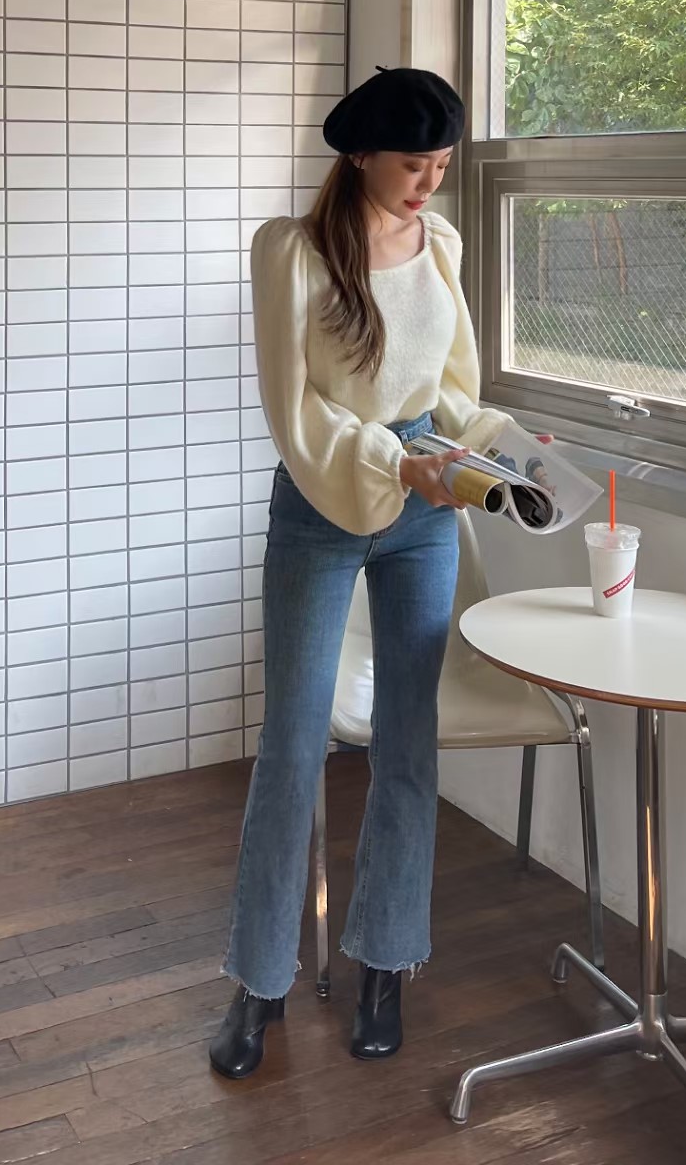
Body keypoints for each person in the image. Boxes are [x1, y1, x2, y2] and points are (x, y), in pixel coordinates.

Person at [210, 66, 509, 1082]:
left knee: (407, 743)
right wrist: (397, 462)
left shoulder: (443, 246)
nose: (430, 182)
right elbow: (295, 409)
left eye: (442, 164)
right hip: (322, 507)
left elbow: (451, 392)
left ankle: (386, 963)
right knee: (293, 748)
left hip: (426, 512)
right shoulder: (290, 251)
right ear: (362, 155)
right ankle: (259, 981)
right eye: (414, 164)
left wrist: (499, 450)